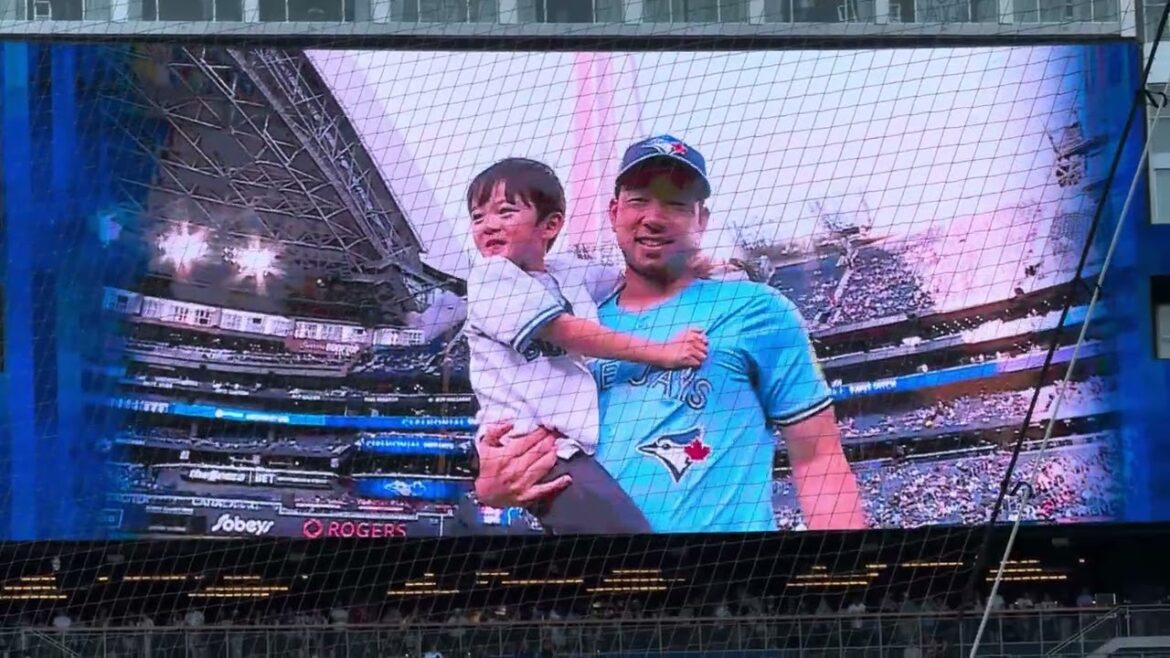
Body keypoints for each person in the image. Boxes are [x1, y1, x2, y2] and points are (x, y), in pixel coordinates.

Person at [473, 135, 866, 532]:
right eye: (639, 200)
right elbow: (510, 431)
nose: (654, 217)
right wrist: (491, 485)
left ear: (702, 220)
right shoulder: (574, 321)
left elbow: (818, 458)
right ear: (614, 212)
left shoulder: (758, 310)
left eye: (676, 203)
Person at [463, 157, 710, 534]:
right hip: (526, 446)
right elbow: (567, 331)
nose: (488, 225)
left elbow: (629, 277)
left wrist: (699, 266)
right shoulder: (490, 277)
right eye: (478, 217)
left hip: (563, 445)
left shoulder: (565, 272)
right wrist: (663, 351)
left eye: (505, 212)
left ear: (551, 224)